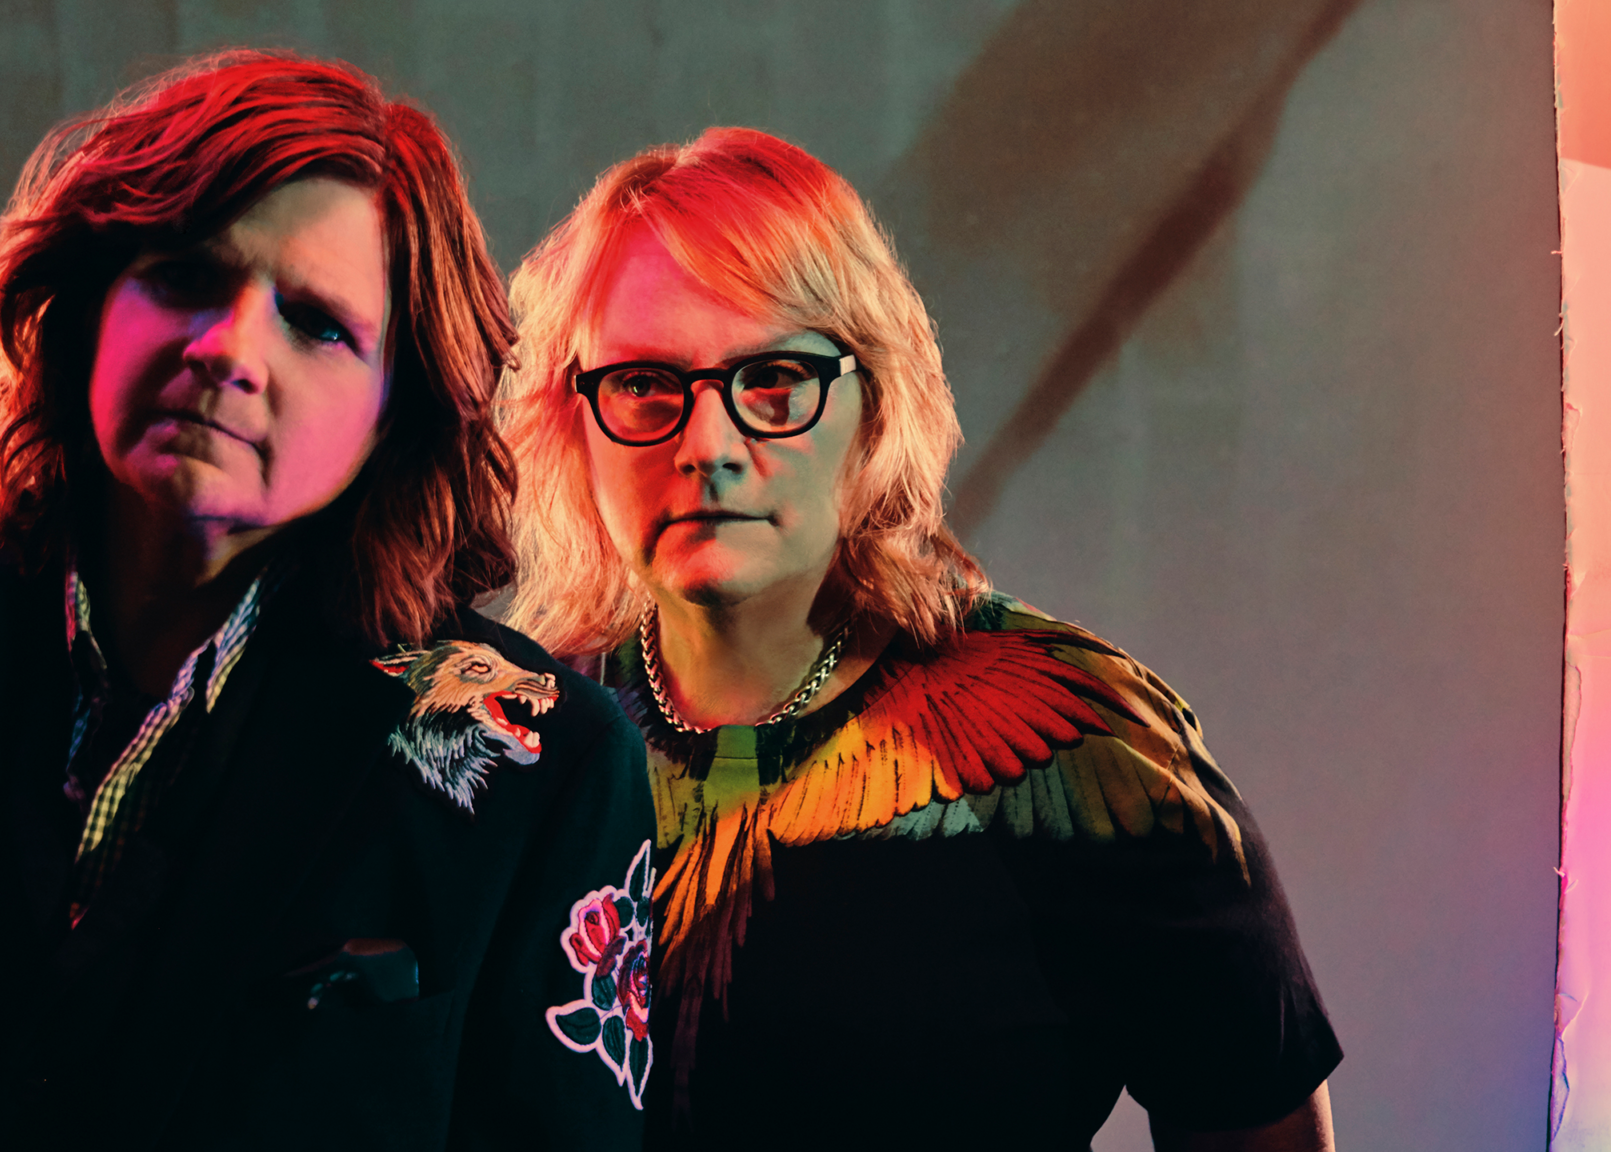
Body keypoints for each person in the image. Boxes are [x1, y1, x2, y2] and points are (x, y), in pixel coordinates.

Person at [0, 50, 655, 1150]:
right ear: (89, 299)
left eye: (315, 321)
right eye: (189, 276)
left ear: (397, 408)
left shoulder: (543, 766)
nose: (227, 351)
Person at [499, 127, 1341, 1150]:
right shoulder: (500, 752)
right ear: (567, 414)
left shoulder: (1086, 745)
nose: (706, 446)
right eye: (641, 384)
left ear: (871, 407)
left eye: (773, 380)